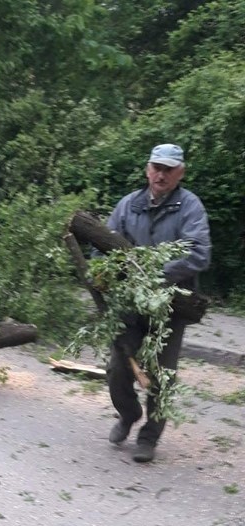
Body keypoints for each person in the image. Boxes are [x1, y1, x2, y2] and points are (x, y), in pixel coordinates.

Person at [105, 143, 211, 463]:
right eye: (156, 167)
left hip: (170, 305)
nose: (161, 174)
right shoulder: (128, 205)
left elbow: (198, 253)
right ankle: (128, 413)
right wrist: (103, 272)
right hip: (131, 304)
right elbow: (104, 244)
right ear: (147, 169)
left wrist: (153, 274)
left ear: (180, 172)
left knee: (162, 373)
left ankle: (149, 437)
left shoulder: (189, 207)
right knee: (117, 366)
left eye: (168, 169)